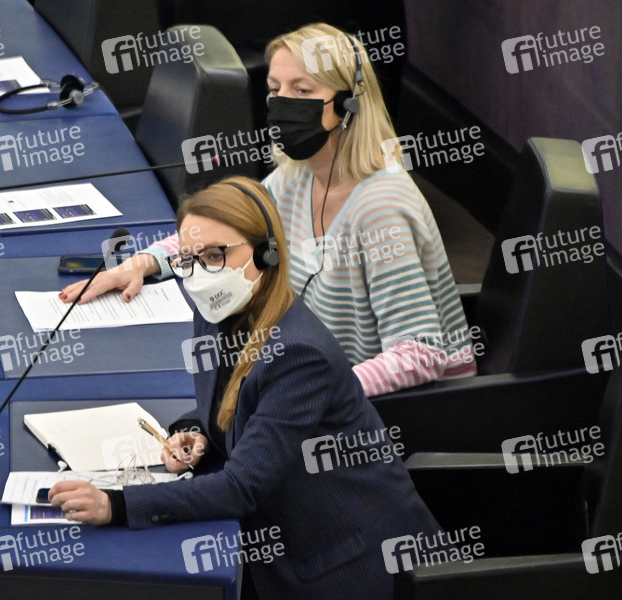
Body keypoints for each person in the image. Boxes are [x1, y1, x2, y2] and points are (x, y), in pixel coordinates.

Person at [50, 177, 441, 599]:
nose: (201, 274)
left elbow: (241, 487)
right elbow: (234, 405)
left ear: (266, 252)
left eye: (216, 255)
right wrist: (197, 433)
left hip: (353, 568)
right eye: (189, 259)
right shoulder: (217, 310)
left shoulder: (299, 354)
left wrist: (115, 505)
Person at [61, 23, 476, 397]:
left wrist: (312, 393)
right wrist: (141, 264)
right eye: (275, 89)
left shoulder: (381, 207)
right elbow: (222, 233)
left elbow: (421, 354)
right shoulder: (299, 173)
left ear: (348, 104)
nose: (283, 103)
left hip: (391, 409)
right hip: (311, 370)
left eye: (302, 90)